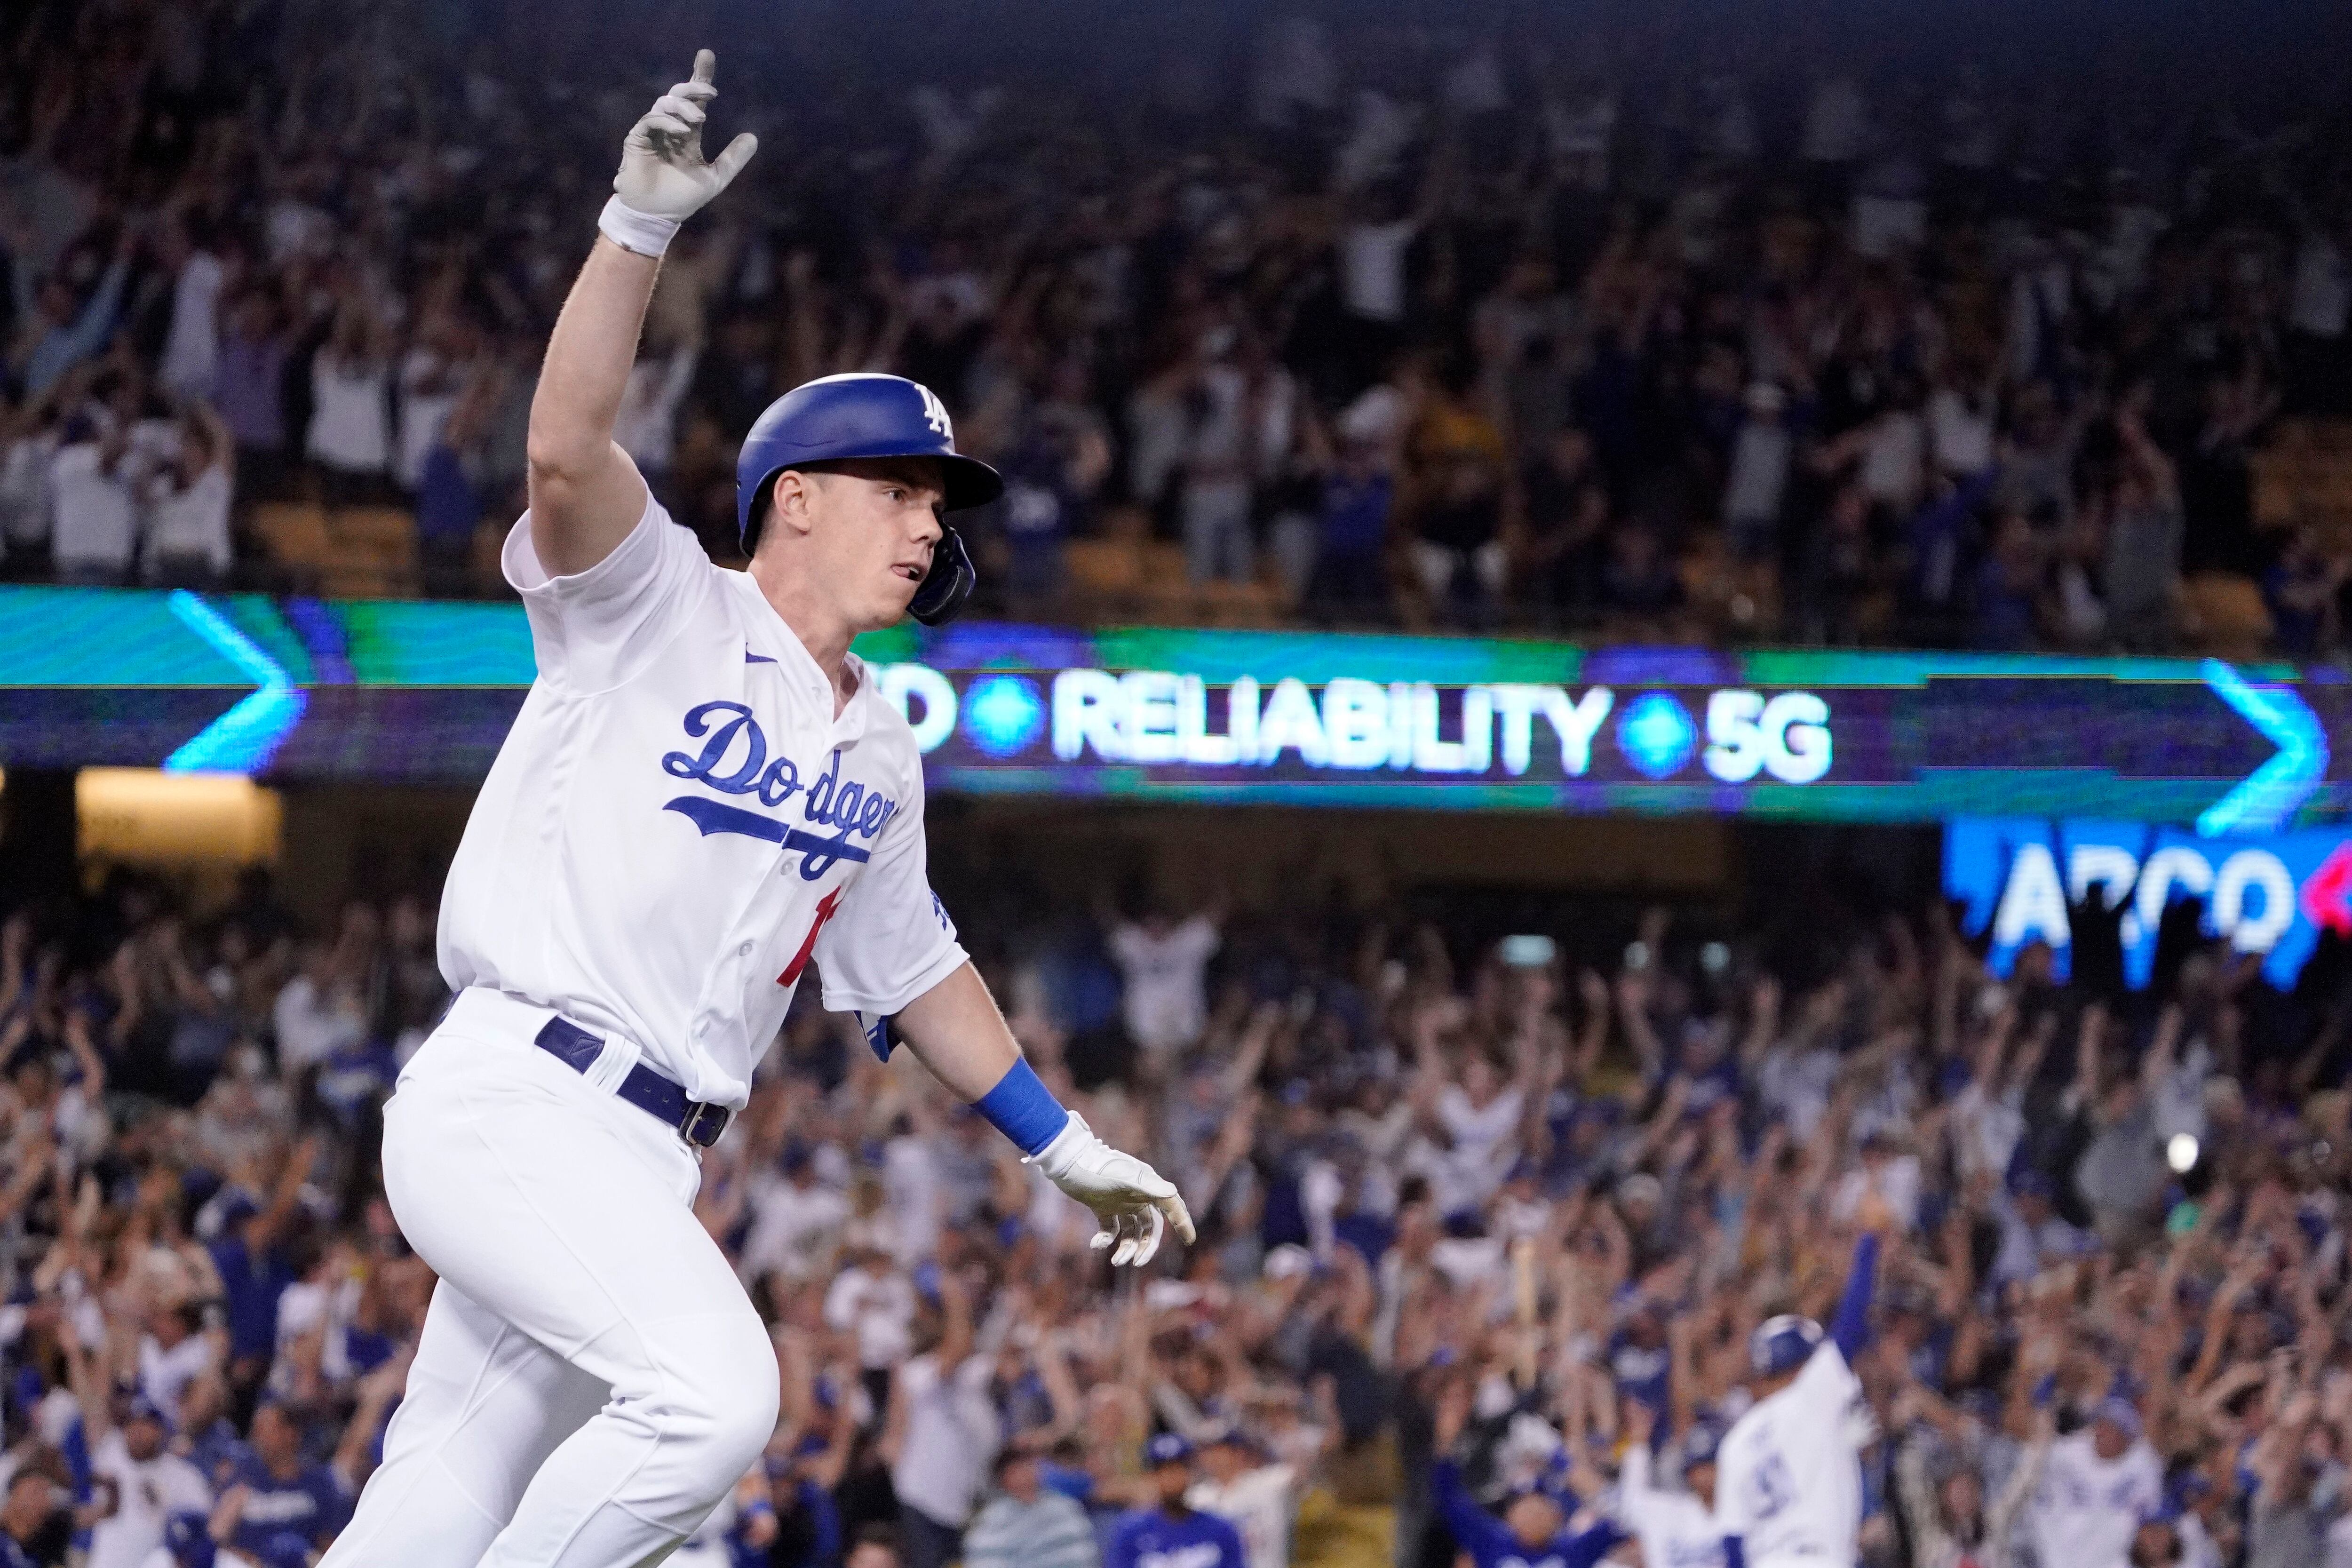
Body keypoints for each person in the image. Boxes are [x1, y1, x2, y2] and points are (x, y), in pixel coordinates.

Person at [317, 51, 1189, 1568]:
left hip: (645, 1152)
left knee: (439, 1492)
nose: (929, 522)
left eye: (939, 505)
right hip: (519, 1093)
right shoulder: (657, 601)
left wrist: (1064, 1146)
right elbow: (563, 450)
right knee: (712, 1405)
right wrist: (633, 233)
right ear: (796, 495)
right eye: (901, 488)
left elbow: (917, 968)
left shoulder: (878, 743)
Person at [1713, 1222, 1883, 1568]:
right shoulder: (1809, 1397)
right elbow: (1851, 1325)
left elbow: (1732, 1544)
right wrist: (1869, 1244)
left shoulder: (1735, 1440)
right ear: (1802, 1363)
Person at [2024, 1398, 2161, 1568]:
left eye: (2110, 1428)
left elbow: (2143, 1522)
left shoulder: (2143, 1466)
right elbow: (2042, 1510)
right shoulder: (2065, 1454)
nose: (2100, 1432)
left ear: (2126, 1439)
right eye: (2100, 1424)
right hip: (2056, 1553)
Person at [85, 1393, 213, 1568]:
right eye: (132, 1424)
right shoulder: (109, 1453)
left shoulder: (183, 1476)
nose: (137, 1431)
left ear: (161, 1431)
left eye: (146, 1425)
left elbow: (203, 1529)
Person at [1110, 1435, 1248, 1568]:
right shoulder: (1131, 1532)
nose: (1171, 1479)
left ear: (1190, 1473)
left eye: (1177, 1470)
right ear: (1152, 1477)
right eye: (1164, 1471)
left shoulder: (1220, 1529)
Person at [1617, 1403, 1725, 1568]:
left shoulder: (1745, 1511)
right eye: (1697, 1469)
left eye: (1710, 1467)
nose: (1703, 1476)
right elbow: (1631, 1504)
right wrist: (1639, 1447)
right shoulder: (1669, 1512)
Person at [964, 1443, 1101, 1568]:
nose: (1026, 1473)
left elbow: (1082, 1553)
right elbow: (985, 1560)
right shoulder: (994, 1518)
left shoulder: (1065, 1507)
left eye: (1029, 1466)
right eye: (1017, 1469)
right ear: (1004, 1478)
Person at [1187, 1424, 1295, 1568]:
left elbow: (1306, 1471)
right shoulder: (1195, 1498)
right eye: (1207, 1451)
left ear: (1239, 1452)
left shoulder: (1270, 1482)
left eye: (1220, 1450)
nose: (1213, 1457)